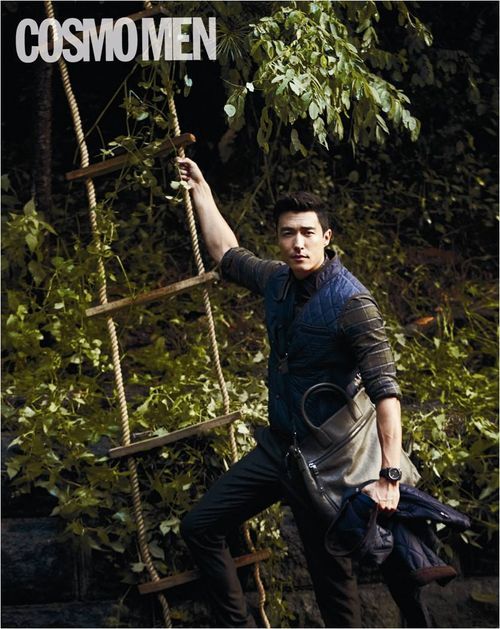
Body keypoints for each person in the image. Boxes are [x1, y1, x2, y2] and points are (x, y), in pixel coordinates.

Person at [176, 157, 430, 628]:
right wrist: (201, 190)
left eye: (308, 233)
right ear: (279, 238)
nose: (298, 243)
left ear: (326, 237)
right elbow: (226, 253)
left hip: (330, 460)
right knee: (201, 525)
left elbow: (386, 393)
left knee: (334, 583)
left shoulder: (353, 303)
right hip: (280, 451)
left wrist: (390, 474)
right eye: (288, 233)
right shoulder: (277, 280)